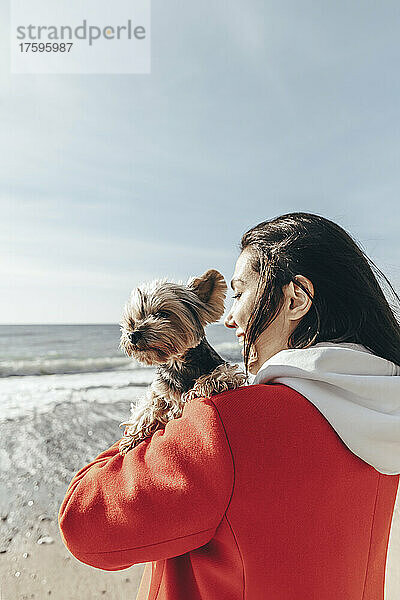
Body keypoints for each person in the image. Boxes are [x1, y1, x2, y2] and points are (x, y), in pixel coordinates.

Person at [58, 212, 400, 599]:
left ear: (295, 298)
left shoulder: (228, 422)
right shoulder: (384, 411)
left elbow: (84, 525)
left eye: (240, 294)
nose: (230, 318)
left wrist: (156, 422)